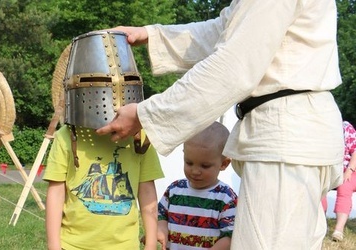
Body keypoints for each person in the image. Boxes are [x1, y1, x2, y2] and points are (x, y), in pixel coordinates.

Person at [97, 1, 345, 249]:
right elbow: (228, 31)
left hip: (287, 138)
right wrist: (154, 36)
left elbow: (235, 64)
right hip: (294, 134)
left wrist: (145, 114)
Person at [43, 30, 164, 250]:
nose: (115, 90)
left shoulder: (140, 137)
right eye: (99, 81)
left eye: (126, 81)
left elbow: (147, 192)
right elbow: (56, 192)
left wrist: (150, 241)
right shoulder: (67, 137)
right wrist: (54, 245)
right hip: (74, 245)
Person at [157, 122, 237, 250]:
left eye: (205, 166)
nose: (195, 171)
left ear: (224, 164)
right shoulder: (175, 190)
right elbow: (161, 214)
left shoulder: (226, 198)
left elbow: (230, 236)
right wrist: (161, 229)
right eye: (189, 162)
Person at [322, 121, 356, 242]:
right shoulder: (319, 129)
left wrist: (349, 170)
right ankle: (321, 227)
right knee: (319, 188)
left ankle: (338, 230)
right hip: (328, 170)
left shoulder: (346, 128)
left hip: (350, 168)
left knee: (345, 187)